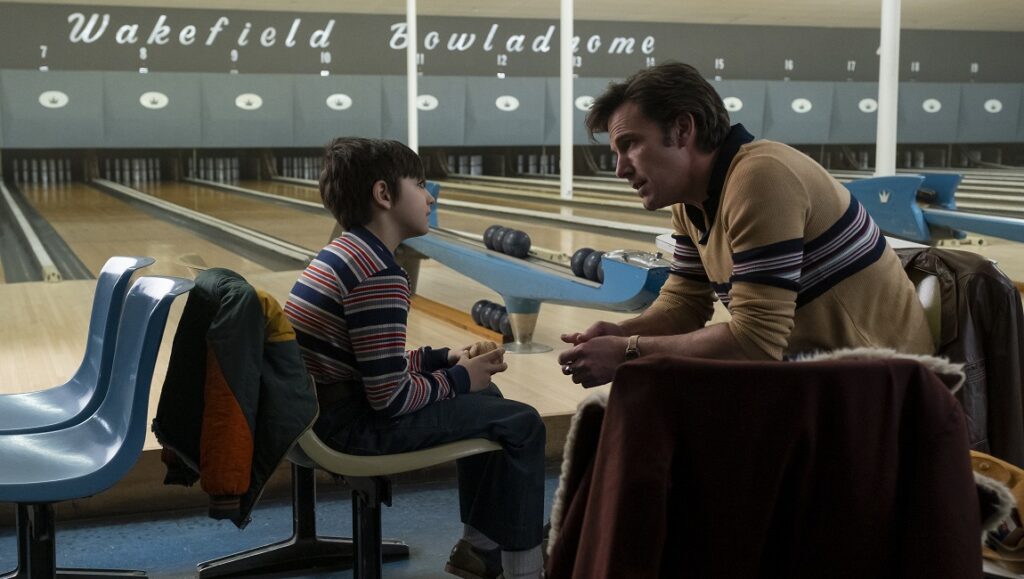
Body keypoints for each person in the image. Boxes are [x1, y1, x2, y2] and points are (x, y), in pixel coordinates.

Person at [558, 62, 933, 388]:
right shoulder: (691, 203)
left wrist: (628, 351)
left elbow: (756, 341)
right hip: (819, 375)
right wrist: (623, 332)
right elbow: (684, 303)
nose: (621, 168)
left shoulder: (761, 178)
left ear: (683, 130)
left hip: (883, 382)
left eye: (630, 144)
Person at [285, 138, 546, 579]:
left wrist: (445, 358)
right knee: (523, 423)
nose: (429, 197)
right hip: (349, 427)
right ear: (384, 195)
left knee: (493, 399)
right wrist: (461, 379)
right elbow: (389, 397)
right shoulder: (379, 274)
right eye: (420, 185)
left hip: (316, 413)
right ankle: (527, 567)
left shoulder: (343, 254)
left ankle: (480, 551)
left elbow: (370, 360)